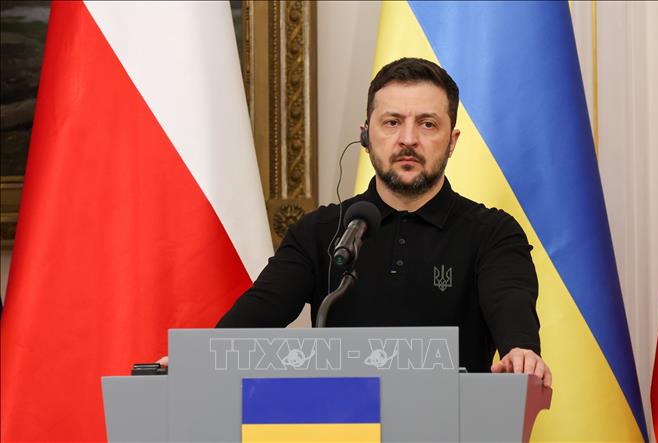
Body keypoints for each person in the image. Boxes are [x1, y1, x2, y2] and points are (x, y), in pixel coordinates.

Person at [161, 57, 552, 386]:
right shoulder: (320, 232)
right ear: (366, 135)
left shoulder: (492, 233)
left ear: (452, 141)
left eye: (428, 124)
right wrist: (200, 359)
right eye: (392, 122)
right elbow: (257, 314)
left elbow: (510, 304)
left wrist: (521, 351)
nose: (408, 139)